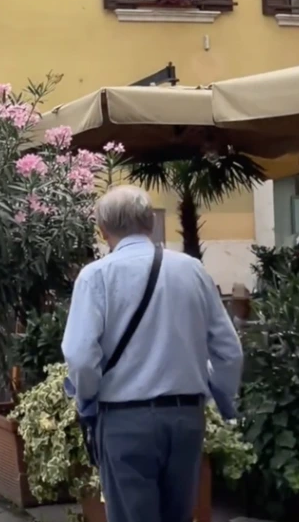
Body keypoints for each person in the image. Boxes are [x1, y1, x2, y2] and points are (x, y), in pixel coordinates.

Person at [61, 186, 243, 522]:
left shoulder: (96, 276)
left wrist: (86, 400)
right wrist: (222, 399)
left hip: (124, 420)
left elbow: (81, 357)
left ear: (102, 230)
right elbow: (228, 349)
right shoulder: (192, 270)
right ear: (150, 223)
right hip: (186, 418)